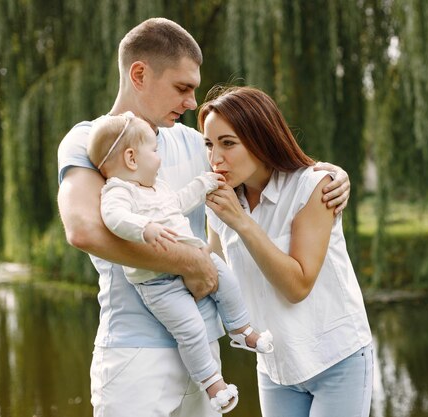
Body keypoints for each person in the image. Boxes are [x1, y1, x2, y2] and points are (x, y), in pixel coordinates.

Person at [56, 17, 351, 417]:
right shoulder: (90, 142)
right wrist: (191, 261)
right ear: (139, 74)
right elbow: (84, 229)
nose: (192, 102)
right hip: (134, 355)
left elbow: (264, 159)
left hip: (205, 354)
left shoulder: (196, 144)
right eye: (182, 88)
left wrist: (330, 173)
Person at [199, 86, 373, 417]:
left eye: (227, 143)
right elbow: (214, 276)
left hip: (337, 359)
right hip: (276, 366)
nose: (215, 158)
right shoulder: (220, 201)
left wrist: (242, 223)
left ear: (261, 138)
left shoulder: (314, 186)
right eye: (209, 144)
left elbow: (298, 285)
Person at [86, 112, 276, 413]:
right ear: (132, 158)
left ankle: (242, 330)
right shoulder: (117, 191)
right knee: (190, 328)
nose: (159, 158)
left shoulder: (158, 187)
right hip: (157, 283)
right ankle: (214, 386)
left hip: (192, 259)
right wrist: (143, 228)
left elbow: (181, 200)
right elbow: (113, 218)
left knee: (225, 278)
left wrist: (204, 183)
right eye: (154, 151)